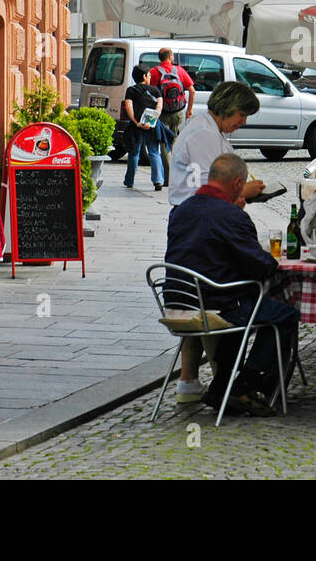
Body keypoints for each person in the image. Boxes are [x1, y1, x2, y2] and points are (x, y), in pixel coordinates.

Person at [165, 154, 299, 417]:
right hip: (214, 305)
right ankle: (247, 383)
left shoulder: (181, 210)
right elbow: (260, 267)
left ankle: (223, 385)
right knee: (284, 314)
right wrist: (271, 261)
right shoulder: (231, 215)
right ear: (238, 183)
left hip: (175, 301)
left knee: (242, 305)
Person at [168, 81, 266, 402]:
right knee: (216, 294)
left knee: (195, 294)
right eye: (241, 114)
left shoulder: (209, 129)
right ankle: (225, 384)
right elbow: (216, 187)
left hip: (197, 218)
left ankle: (190, 381)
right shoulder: (205, 135)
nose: (244, 122)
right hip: (201, 220)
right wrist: (244, 194)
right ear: (225, 108)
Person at [120, 65, 164, 191]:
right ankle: (158, 181)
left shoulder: (131, 90)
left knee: (134, 153)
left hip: (136, 126)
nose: (150, 77)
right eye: (149, 75)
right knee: (154, 152)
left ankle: (129, 181)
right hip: (153, 126)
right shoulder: (156, 90)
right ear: (144, 76)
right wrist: (151, 121)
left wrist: (136, 122)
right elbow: (159, 107)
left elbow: (129, 107)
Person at [147, 48, 197, 140]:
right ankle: (174, 151)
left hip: (161, 111)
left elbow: (147, 91)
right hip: (177, 111)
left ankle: (166, 152)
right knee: (174, 137)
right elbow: (192, 91)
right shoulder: (180, 70)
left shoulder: (153, 72)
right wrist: (189, 110)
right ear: (170, 57)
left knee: (163, 138)